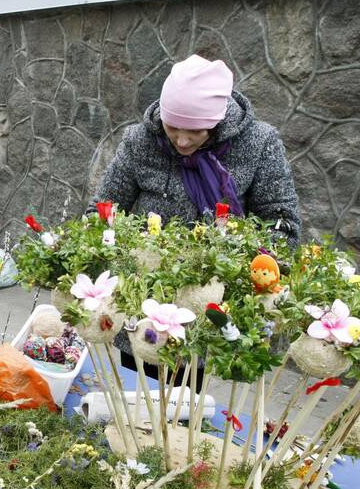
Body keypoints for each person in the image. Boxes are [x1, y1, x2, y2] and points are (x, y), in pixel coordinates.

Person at [89, 54, 301, 375]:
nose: (182, 140)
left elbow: (282, 223)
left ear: (216, 123)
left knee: (185, 404)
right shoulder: (140, 141)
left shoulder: (258, 144)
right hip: (142, 299)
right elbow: (103, 209)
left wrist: (253, 269)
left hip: (205, 300)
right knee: (137, 393)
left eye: (196, 131)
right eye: (172, 128)